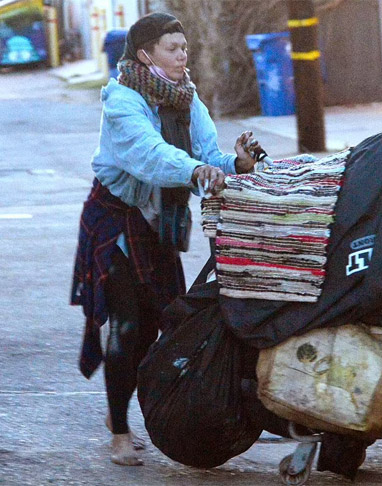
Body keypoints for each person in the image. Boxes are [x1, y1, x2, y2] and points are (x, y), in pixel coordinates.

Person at [70, 12, 261, 466]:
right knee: (128, 325)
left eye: (184, 48)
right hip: (116, 222)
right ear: (145, 55)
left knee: (165, 321)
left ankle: (126, 409)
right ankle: (120, 431)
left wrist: (236, 164)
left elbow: (208, 155)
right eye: (172, 49)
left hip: (158, 224)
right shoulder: (122, 100)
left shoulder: (187, 98)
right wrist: (196, 170)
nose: (182, 56)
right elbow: (149, 156)